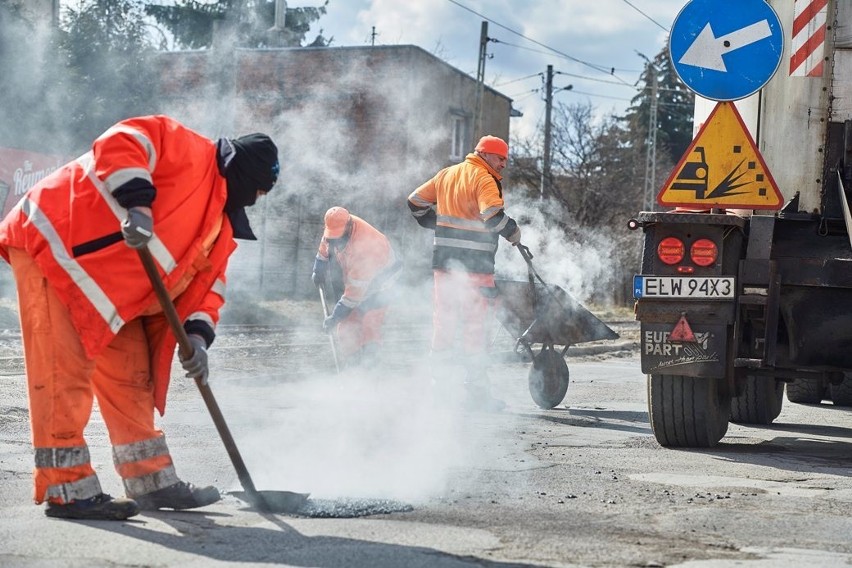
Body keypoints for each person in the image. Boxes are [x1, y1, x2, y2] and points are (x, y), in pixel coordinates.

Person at [0, 115, 279, 520]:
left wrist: (198, 340)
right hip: (57, 247)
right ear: (242, 170)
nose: (254, 199)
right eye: (256, 189)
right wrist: (138, 203)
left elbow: (209, 290)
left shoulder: (220, 226)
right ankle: (66, 488)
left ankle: (151, 482)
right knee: (64, 373)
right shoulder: (184, 146)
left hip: (115, 293)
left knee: (133, 382)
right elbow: (122, 140)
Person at [407, 135, 521, 411]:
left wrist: (436, 224)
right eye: (499, 157)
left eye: (505, 158)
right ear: (484, 154)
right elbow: (493, 216)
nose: (503, 163)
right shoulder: (483, 178)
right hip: (476, 268)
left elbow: (414, 202)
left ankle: (440, 390)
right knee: (476, 329)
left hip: (444, 265)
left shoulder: (447, 174)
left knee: (443, 324)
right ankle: (476, 394)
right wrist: (514, 232)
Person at [312, 207, 402, 367]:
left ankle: (370, 367)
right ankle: (352, 367)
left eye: (337, 237)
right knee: (346, 327)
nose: (334, 241)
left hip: (383, 283)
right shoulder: (335, 225)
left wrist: (334, 317)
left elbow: (352, 296)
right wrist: (319, 266)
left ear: (348, 227)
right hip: (357, 280)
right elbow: (325, 244)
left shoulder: (366, 247)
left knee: (368, 323)